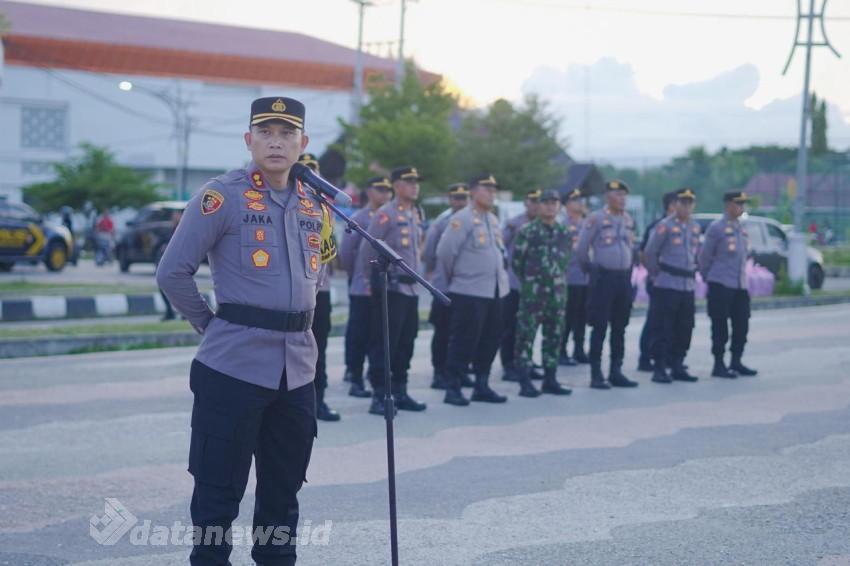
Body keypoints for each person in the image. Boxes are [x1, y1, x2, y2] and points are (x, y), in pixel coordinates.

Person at [157, 96, 330, 565]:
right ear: (248, 139)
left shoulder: (315, 203)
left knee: (283, 493)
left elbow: (320, 276)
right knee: (218, 493)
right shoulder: (222, 196)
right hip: (232, 368)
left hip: (295, 372)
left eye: (287, 133)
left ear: (303, 143)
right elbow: (173, 272)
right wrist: (210, 326)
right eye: (266, 132)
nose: (276, 141)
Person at [359, 166, 428, 416]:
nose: (414, 186)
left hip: (411, 291)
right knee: (384, 345)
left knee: (406, 343)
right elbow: (368, 249)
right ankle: (380, 394)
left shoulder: (415, 213)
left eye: (416, 182)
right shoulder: (385, 214)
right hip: (391, 289)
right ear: (397, 186)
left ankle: (400, 390)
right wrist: (367, 280)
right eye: (409, 182)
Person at [435, 174, 509, 406]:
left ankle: (482, 385)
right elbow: (445, 253)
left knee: (490, 339)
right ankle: (453, 387)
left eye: (494, 189)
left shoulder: (493, 219)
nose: (492, 192)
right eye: (487, 188)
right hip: (469, 291)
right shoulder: (462, 218)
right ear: (474, 191)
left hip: (495, 291)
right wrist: (455, 282)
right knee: (463, 341)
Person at [575, 179, 639, 390]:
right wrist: (591, 271)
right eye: (617, 195)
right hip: (603, 278)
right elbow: (582, 249)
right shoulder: (596, 218)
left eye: (624, 195)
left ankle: (616, 371)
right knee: (600, 326)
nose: (622, 199)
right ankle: (596, 373)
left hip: (623, 278)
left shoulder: (628, 219)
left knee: (619, 327)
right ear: (607, 197)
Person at [512, 189, 573, 397]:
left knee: (554, 336)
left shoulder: (564, 232)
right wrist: (531, 282)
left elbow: (566, 261)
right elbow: (517, 262)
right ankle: (524, 380)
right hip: (533, 294)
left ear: (559, 206)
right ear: (538, 206)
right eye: (546, 202)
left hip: (557, 293)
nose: (550, 206)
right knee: (526, 336)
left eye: (554, 202)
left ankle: (550, 379)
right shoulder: (527, 231)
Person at [339, 176, 393, 399]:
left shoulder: (390, 217)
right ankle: (355, 376)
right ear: (369, 192)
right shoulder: (359, 218)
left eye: (388, 190)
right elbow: (346, 254)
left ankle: (376, 374)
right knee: (358, 333)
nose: (385, 194)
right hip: (362, 286)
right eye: (380, 189)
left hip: (385, 286)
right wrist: (358, 277)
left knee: (378, 334)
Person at [296, 152, 340, 422]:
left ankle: (318, 400)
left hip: (320, 291)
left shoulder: (324, 208)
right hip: (297, 292)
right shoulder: (289, 205)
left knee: (318, 348)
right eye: (305, 171)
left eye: (314, 172)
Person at [643, 188, 701, 384]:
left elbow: (696, 254)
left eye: (689, 203)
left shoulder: (695, 227)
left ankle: (678, 364)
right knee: (663, 328)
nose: (686, 206)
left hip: (687, 285)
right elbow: (650, 253)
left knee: (685, 327)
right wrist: (656, 275)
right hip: (667, 283)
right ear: (675, 205)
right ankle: (659, 367)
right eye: (682, 202)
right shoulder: (664, 226)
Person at [699, 191, 758, 378]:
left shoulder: (742, 228)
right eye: (737, 203)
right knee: (720, 326)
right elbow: (705, 257)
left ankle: (736, 361)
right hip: (720, 283)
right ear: (728, 205)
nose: (741, 207)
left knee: (742, 324)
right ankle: (719, 364)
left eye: (743, 204)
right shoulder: (716, 228)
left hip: (740, 285)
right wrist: (709, 277)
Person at [422, 182, 470, 390]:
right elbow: (429, 252)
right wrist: (433, 273)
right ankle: (439, 372)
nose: (459, 201)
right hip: (445, 286)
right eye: (455, 198)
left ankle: (460, 371)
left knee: (464, 332)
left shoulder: (472, 220)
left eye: (463, 198)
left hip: (466, 286)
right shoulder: (443, 221)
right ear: (450, 199)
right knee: (443, 331)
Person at [500, 189, 541, 381]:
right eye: (532, 201)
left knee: (530, 327)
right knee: (510, 327)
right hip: (515, 283)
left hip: (536, 286)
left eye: (539, 201)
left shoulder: (544, 225)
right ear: (526, 202)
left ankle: (526, 362)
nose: (536, 205)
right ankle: (508, 365)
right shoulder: (515, 224)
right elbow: (502, 248)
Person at [637, 191, 679, 372]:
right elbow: (645, 253)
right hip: (659, 280)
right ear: (671, 206)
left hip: (677, 282)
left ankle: (668, 357)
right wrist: (655, 275)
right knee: (655, 321)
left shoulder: (682, 226)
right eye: (680, 203)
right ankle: (645, 357)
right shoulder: (658, 226)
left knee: (673, 322)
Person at [559, 188, 590, 366]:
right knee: (567, 318)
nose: (580, 203)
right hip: (569, 277)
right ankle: (561, 351)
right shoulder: (562, 224)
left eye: (581, 199)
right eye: (575, 200)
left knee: (582, 317)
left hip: (585, 277)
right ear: (567, 204)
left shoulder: (587, 223)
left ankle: (579, 349)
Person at [159, 209, 183, 321]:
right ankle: (170, 312)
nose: (174, 217)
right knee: (163, 287)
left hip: (180, 265)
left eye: (176, 215)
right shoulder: (170, 230)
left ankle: (185, 313)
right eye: (173, 215)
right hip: (168, 264)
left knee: (181, 289)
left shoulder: (184, 230)